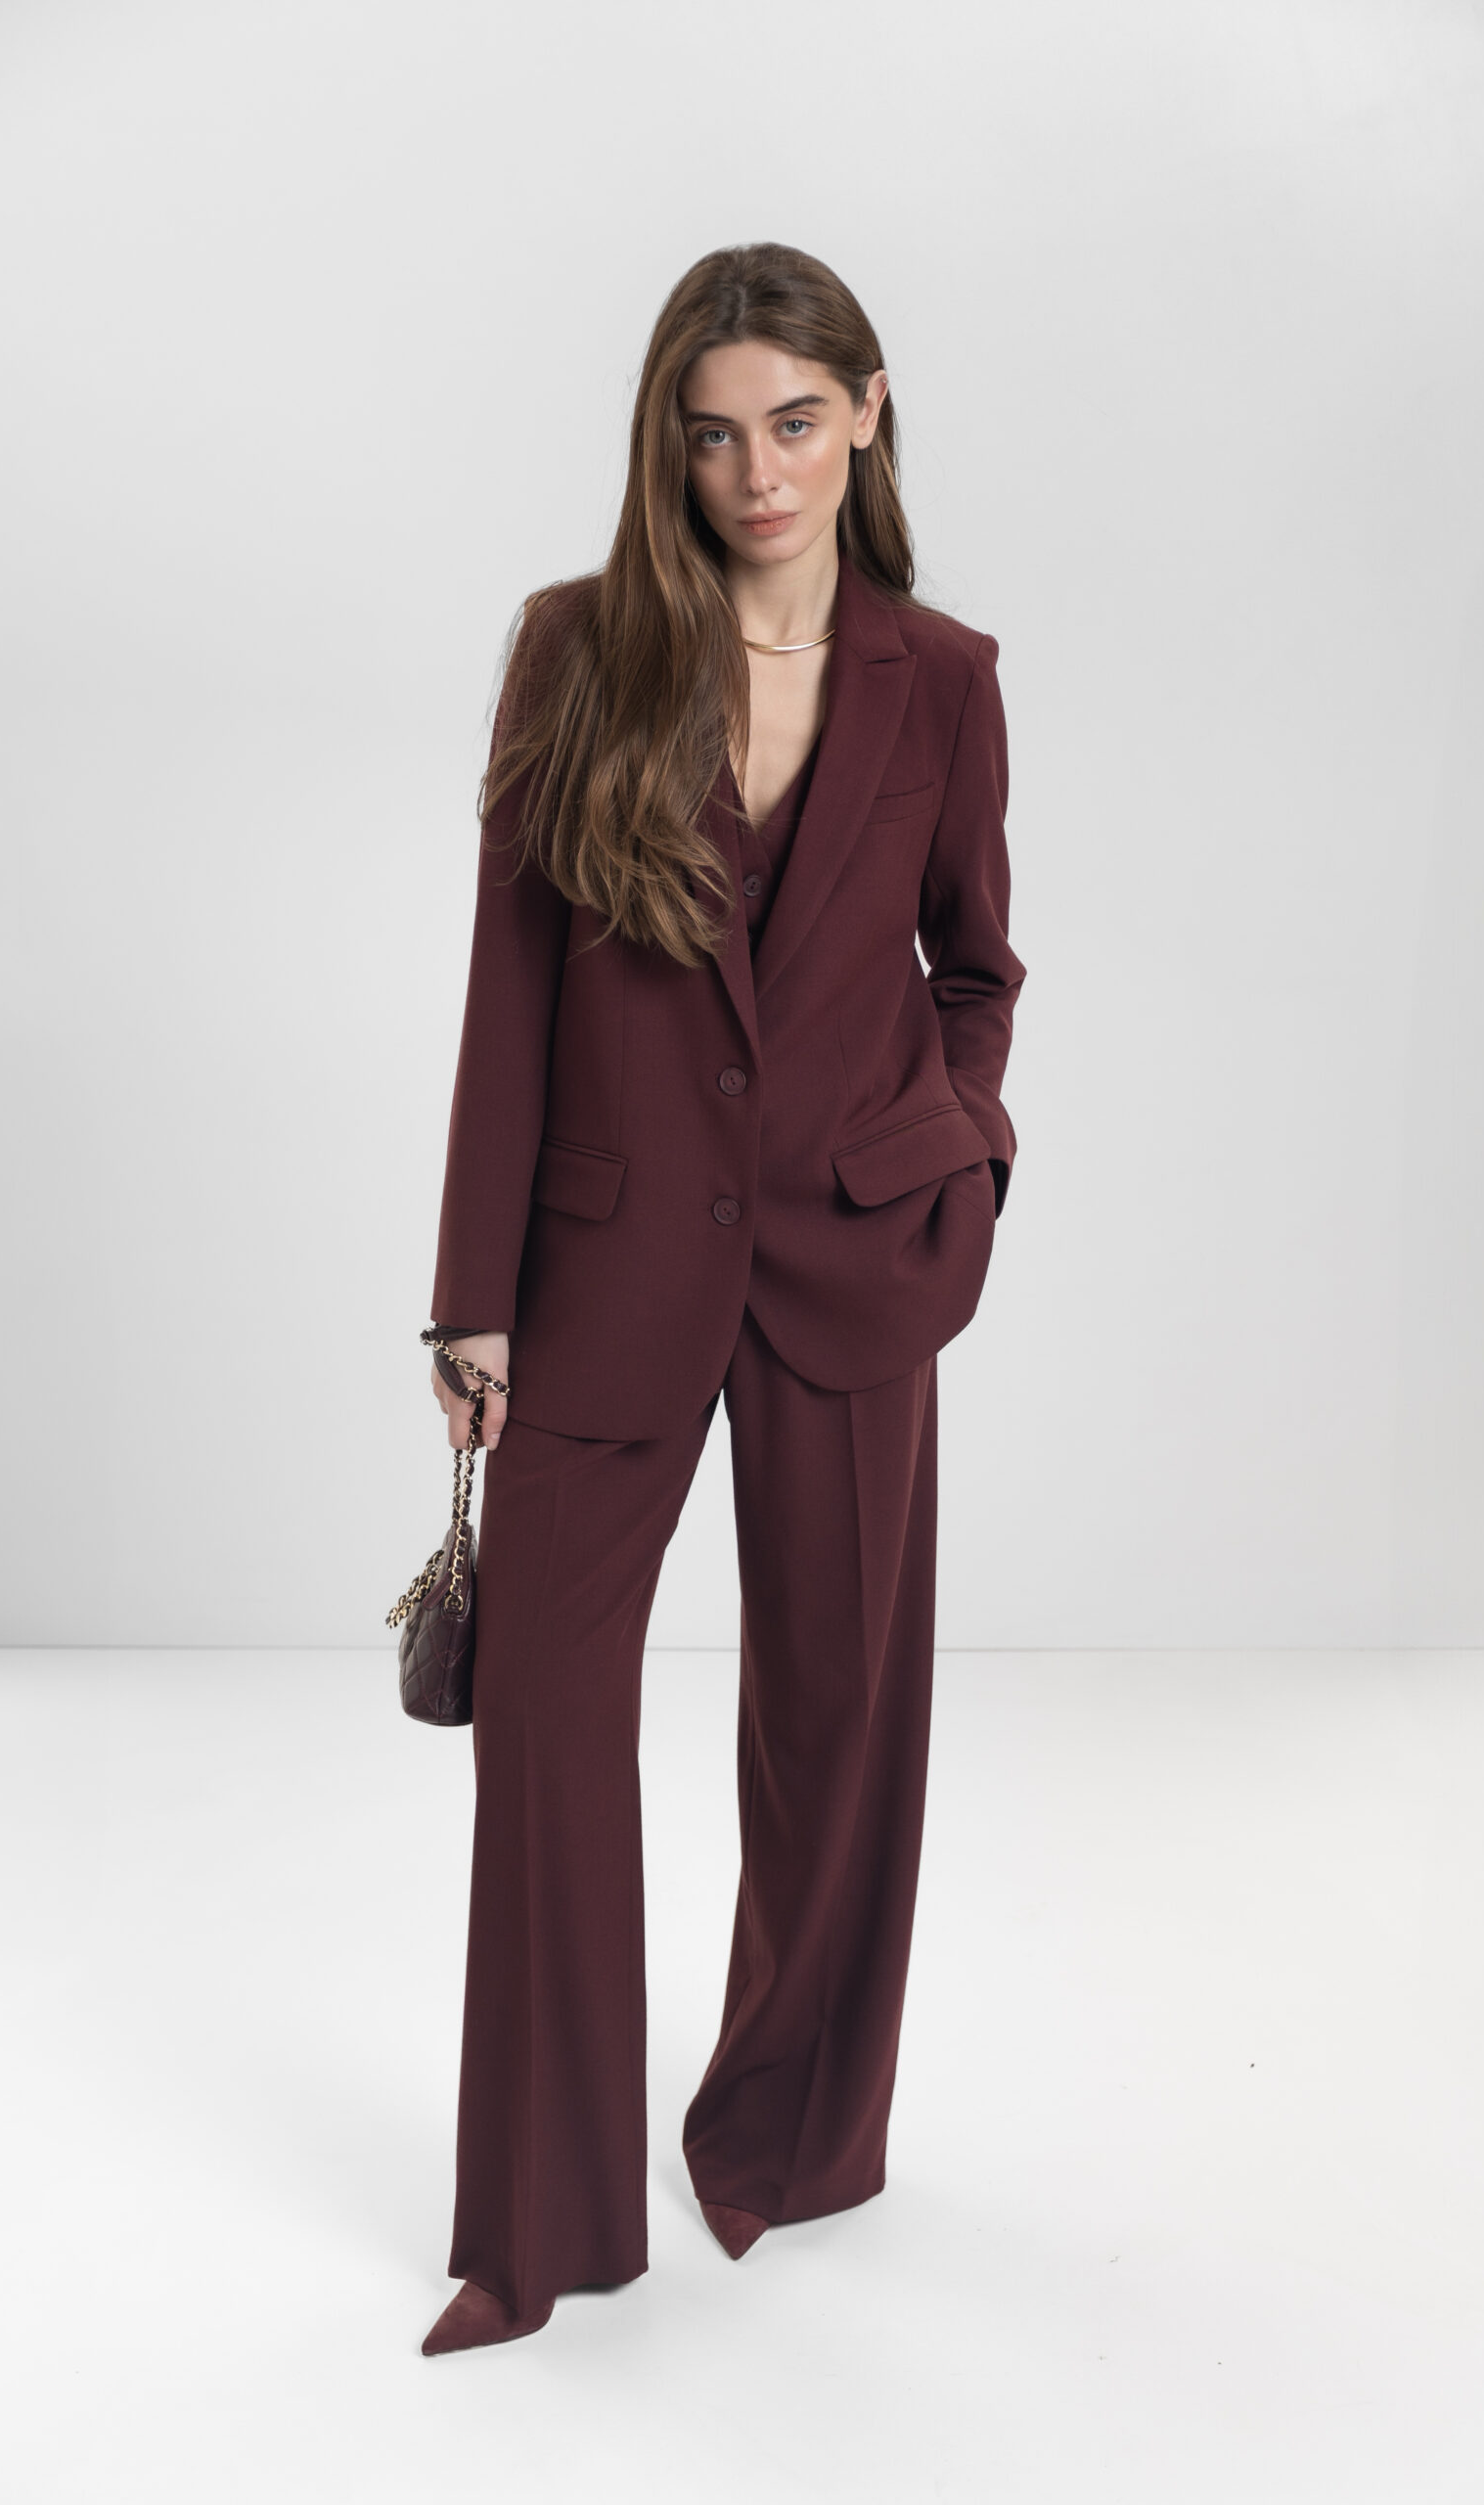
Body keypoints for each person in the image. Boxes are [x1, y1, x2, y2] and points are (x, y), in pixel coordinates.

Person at [417, 240, 1026, 2355]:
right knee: (542, 1715)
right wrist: (469, 1295)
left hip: (855, 1254)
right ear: (663, 448)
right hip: (598, 1263)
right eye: (709, 433)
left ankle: (785, 2138)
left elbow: (977, 965)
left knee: (840, 1719)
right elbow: (510, 981)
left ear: (866, 413)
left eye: (792, 421)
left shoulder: (943, 678)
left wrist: (958, 1149)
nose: (754, 471)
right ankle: (542, 2218)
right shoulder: (577, 647)